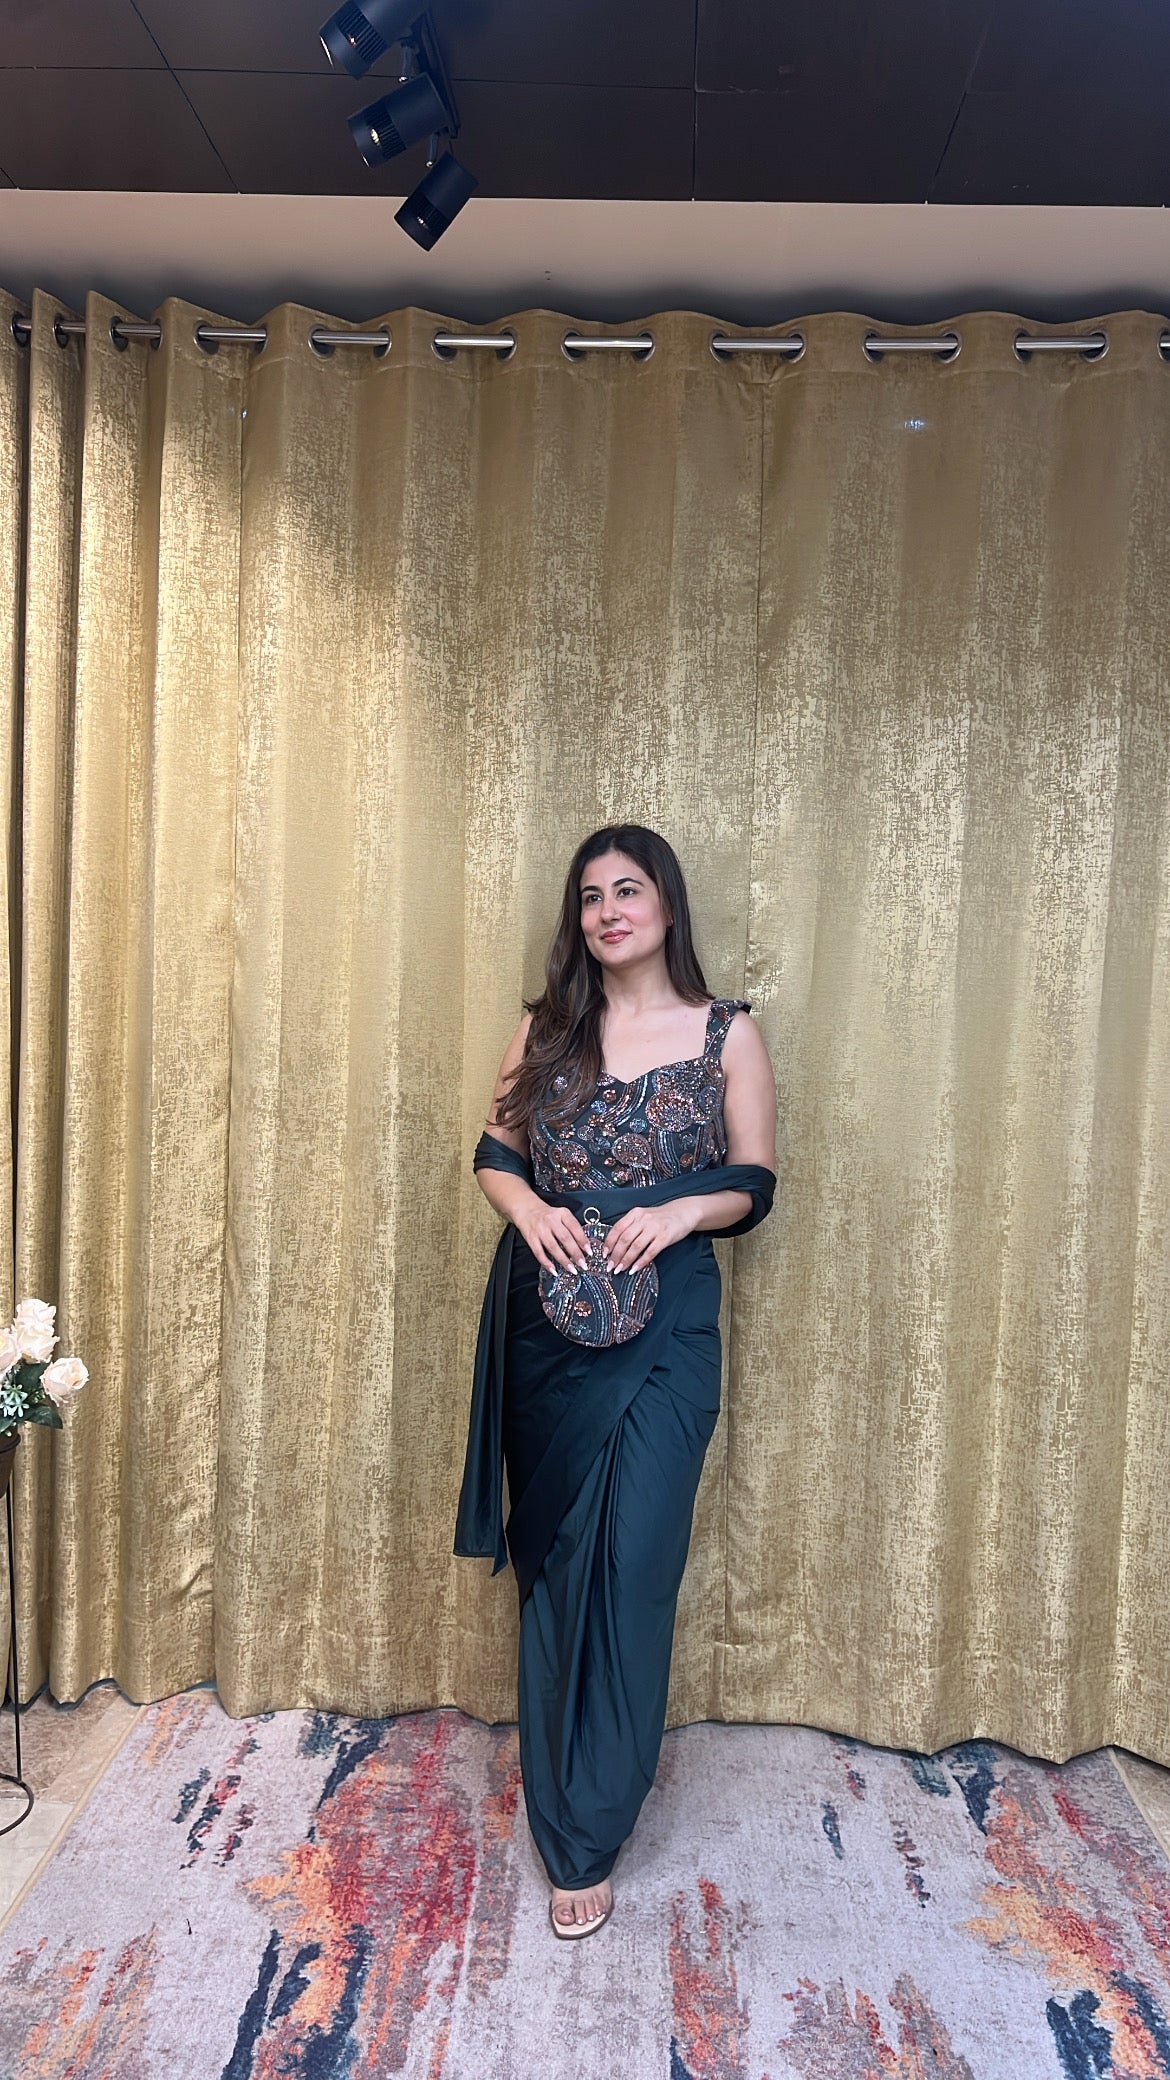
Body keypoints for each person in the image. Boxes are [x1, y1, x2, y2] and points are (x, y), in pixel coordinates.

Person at [454, 823, 777, 1938]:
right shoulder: (547, 1028)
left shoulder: (727, 1032)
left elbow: (755, 1180)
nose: (607, 912)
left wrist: (681, 1211)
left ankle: (600, 1809)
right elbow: (496, 1153)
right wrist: (529, 1209)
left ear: (667, 905)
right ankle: (568, 1829)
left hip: (667, 1326)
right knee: (557, 1567)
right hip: (546, 1327)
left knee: (636, 1565)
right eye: (590, 896)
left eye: (627, 890)